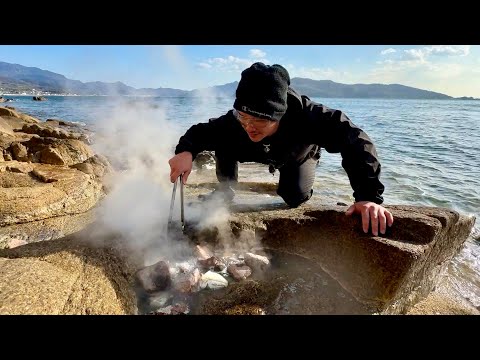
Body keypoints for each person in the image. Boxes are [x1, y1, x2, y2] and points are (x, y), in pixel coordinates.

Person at [168, 62, 394, 236]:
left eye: (259, 121)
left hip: (294, 154)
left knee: (294, 197)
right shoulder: (236, 122)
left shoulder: (311, 117)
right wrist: (185, 152)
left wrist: (367, 197)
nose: (249, 127)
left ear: (279, 115)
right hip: (251, 150)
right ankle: (226, 190)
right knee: (224, 140)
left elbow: (357, 141)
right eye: (244, 117)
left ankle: (304, 169)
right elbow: (199, 132)